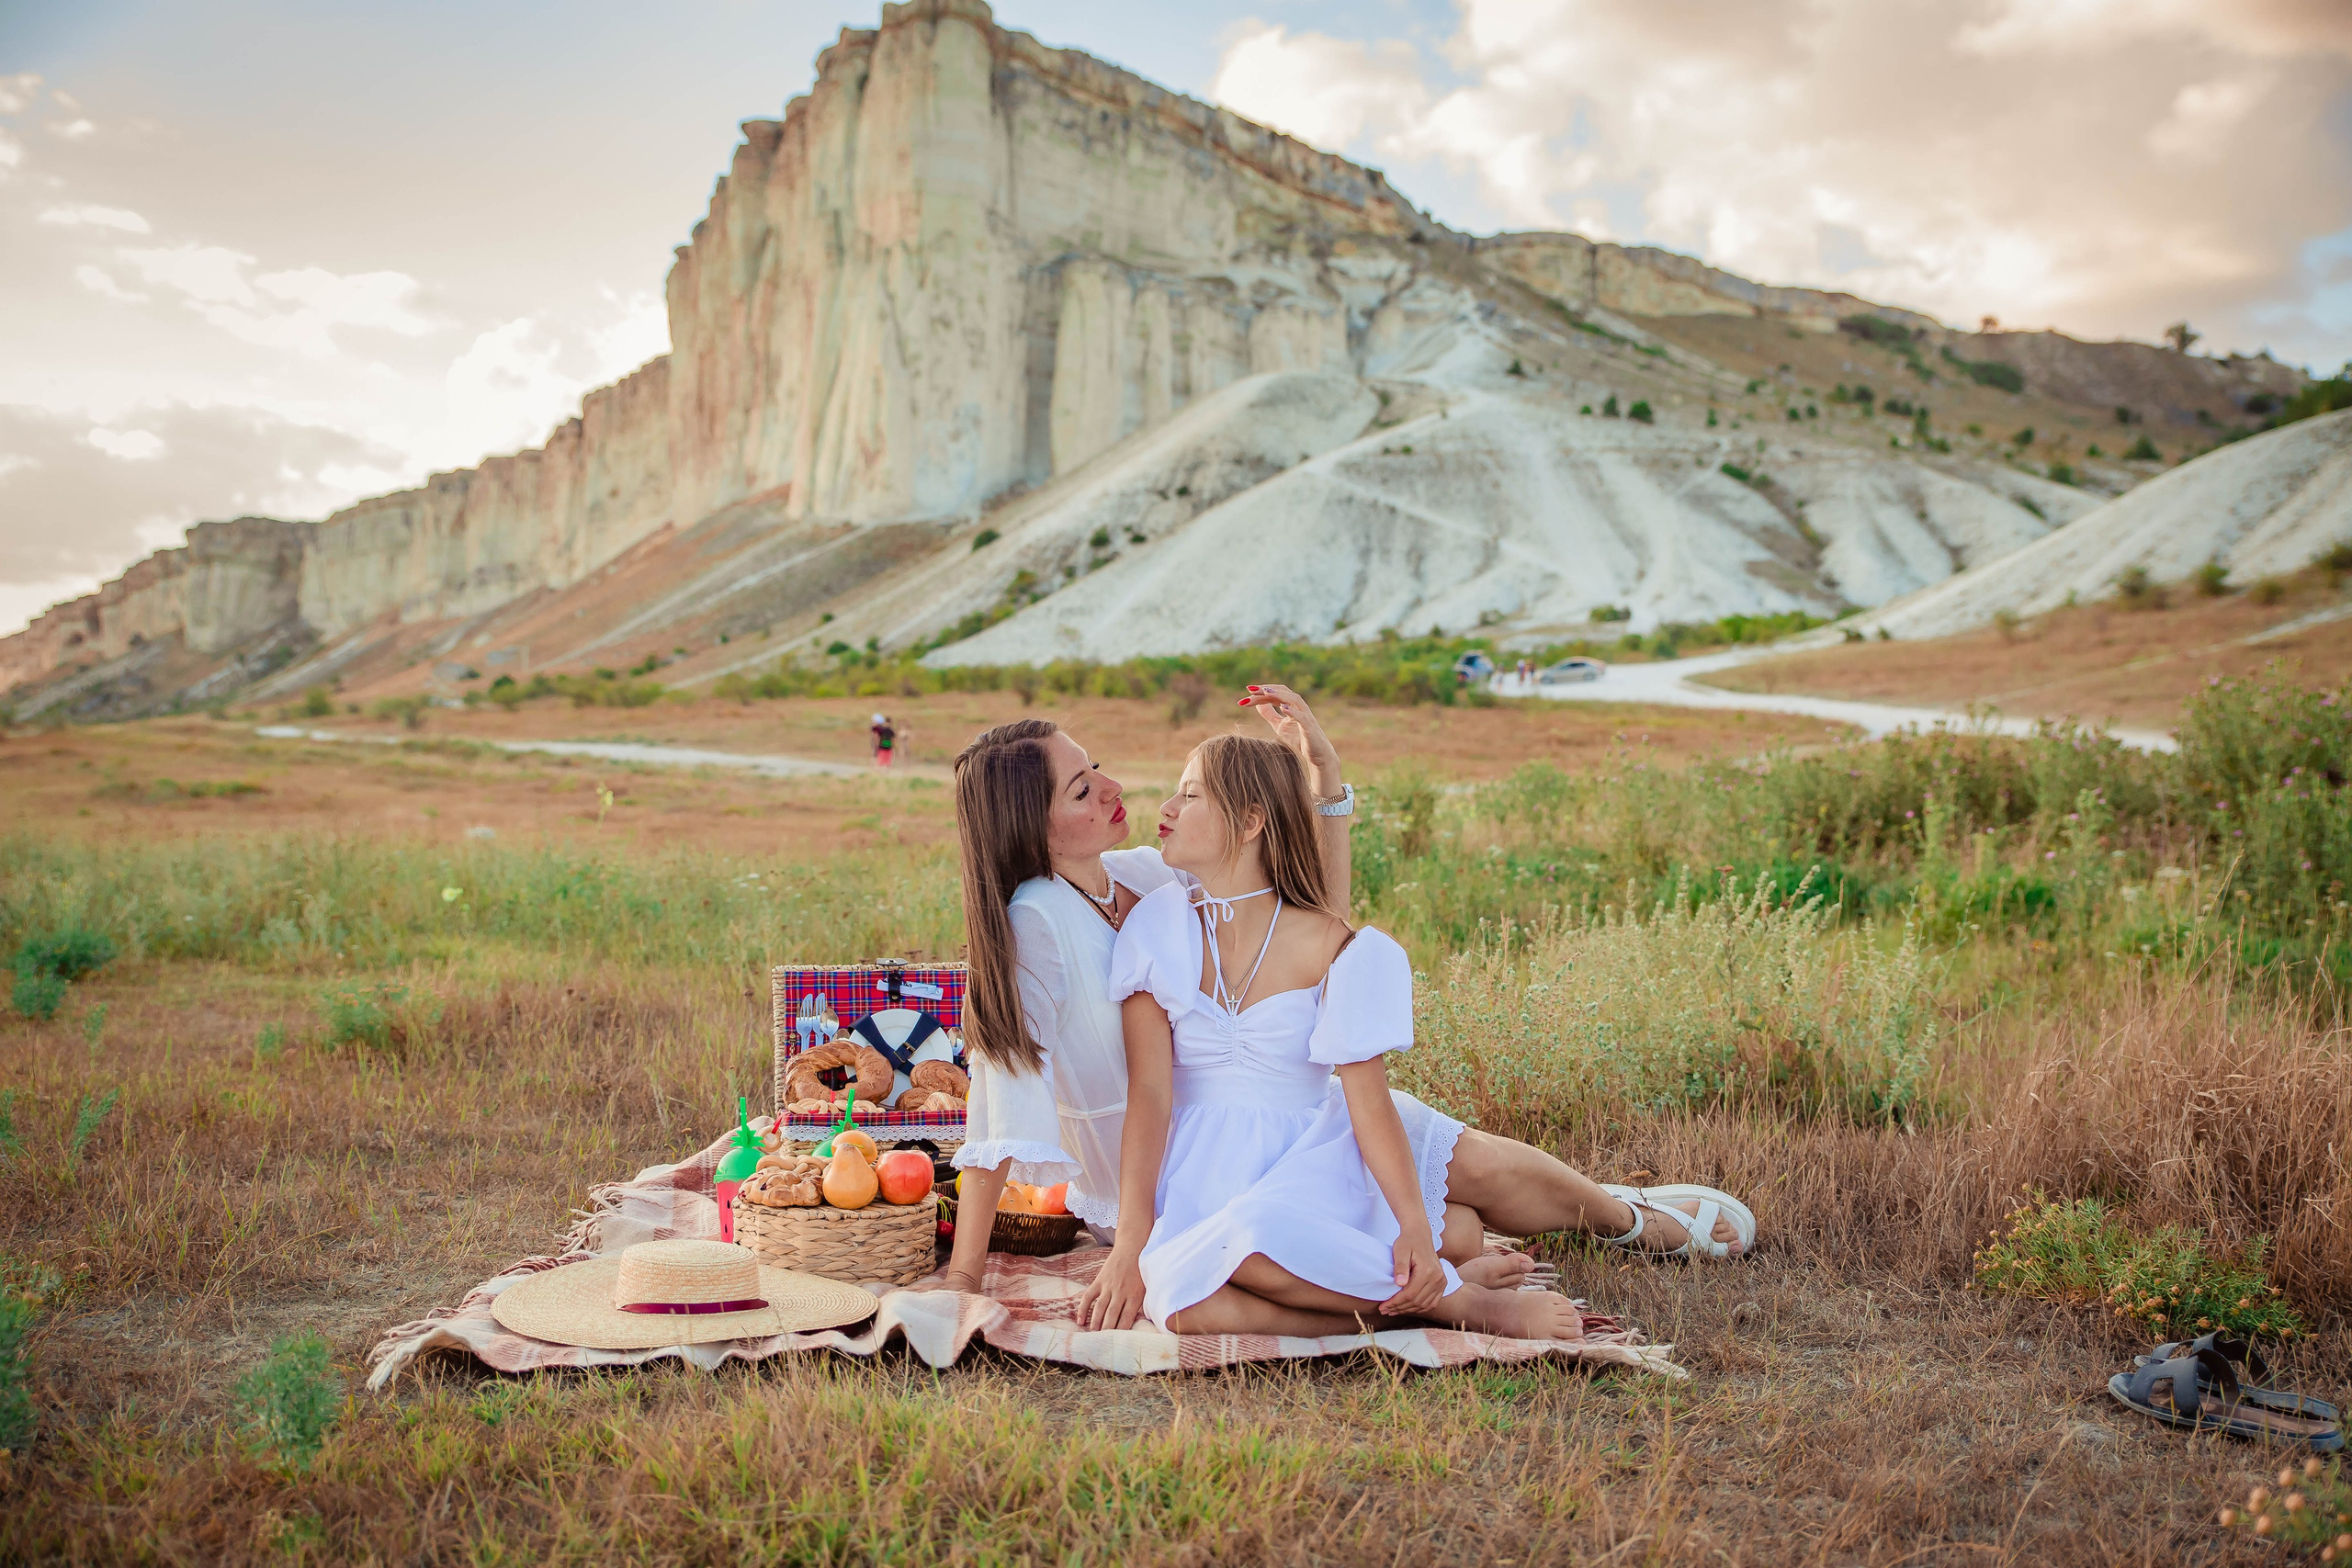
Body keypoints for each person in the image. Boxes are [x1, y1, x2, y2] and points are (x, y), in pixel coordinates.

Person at [936, 684, 1752, 1311]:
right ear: (1031, 828)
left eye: (1095, 766)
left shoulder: (1141, 878)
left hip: (1279, 1110)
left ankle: (1630, 1220)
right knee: (1443, 1219)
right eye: (1082, 790)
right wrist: (967, 1271)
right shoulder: (1035, 926)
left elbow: (1300, 919)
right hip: (1183, 1166)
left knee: (1468, 1160)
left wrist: (1325, 784)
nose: (1113, 786)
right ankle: (1465, 1267)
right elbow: (1001, 1097)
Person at [1097, 734, 1585, 1338]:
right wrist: (1130, 1242)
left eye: (1190, 794)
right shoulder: (1154, 927)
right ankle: (1429, 1303)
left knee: (1266, 1237)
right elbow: (1149, 1093)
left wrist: (1410, 1223)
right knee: (1180, 1306)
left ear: (1250, 821)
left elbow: (1368, 1100)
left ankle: (1467, 1304)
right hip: (1200, 1171)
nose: (1166, 808)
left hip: (1308, 1163)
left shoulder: (1330, 942)